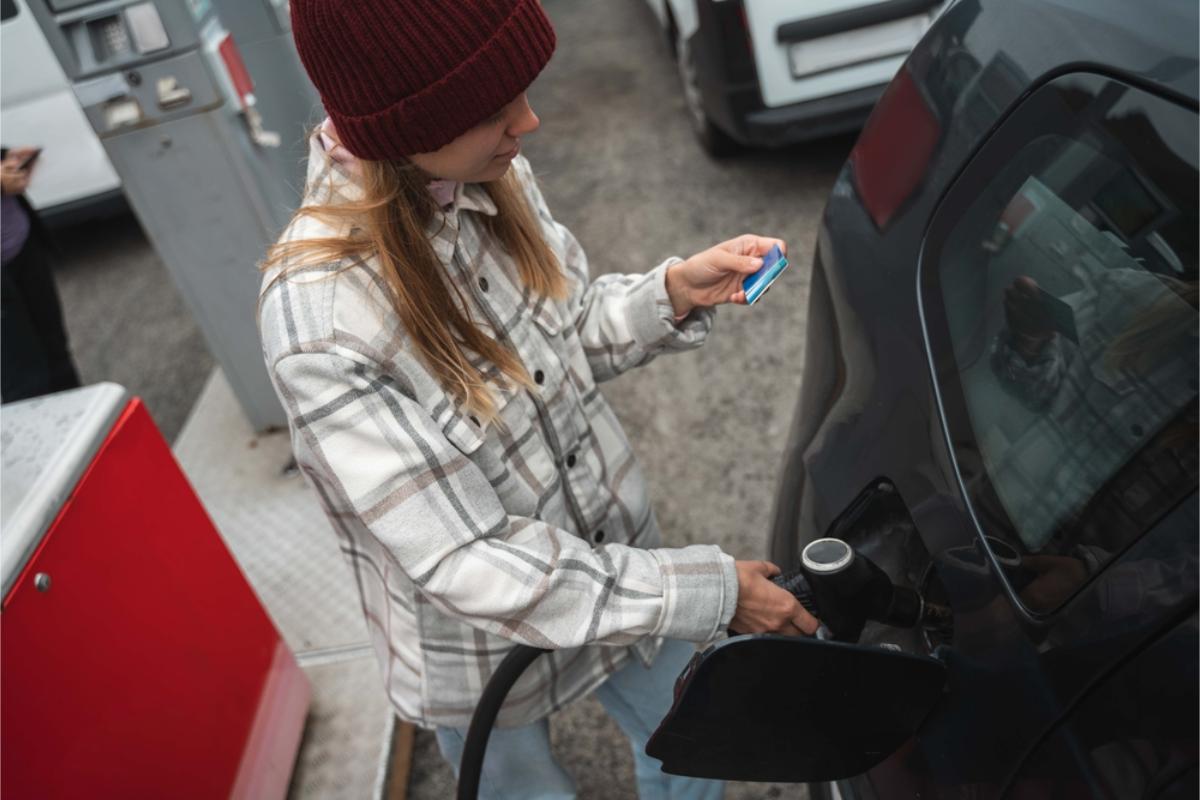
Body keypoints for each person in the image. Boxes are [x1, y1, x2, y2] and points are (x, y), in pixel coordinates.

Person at [259, 2, 817, 796]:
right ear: (405, 125)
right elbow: (472, 561)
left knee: (696, 755)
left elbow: (563, 336)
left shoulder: (485, 170)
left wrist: (670, 295)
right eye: (495, 111)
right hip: (480, 653)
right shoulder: (321, 321)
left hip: (616, 573)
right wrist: (706, 590)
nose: (531, 120)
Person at [1, 145, 82, 403]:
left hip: (22, 245)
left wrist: (7, 159)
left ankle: (88, 434)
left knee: (56, 354)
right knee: (25, 380)